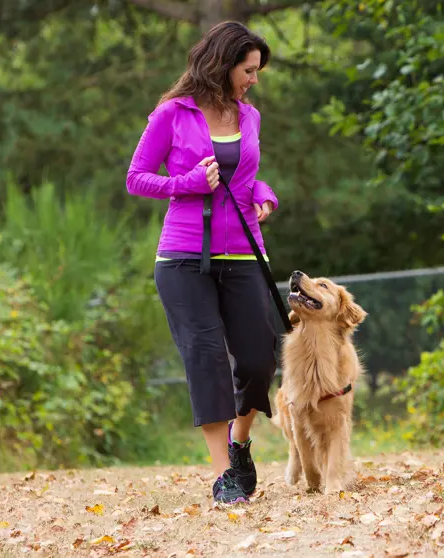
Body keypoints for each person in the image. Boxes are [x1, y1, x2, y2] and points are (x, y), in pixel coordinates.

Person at [125, 21, 278, 505]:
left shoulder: (248, 116)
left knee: (259, 357)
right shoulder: (171, 114)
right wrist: (184, 183)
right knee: (207, 359)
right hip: (183, 257)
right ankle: (223, 477)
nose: (253, 78)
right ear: (223, 63)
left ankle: (240, 442)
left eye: (256, 71)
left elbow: (249, 177)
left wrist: (266, 196)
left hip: (244, 252)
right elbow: (136, 178)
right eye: (248, 70)